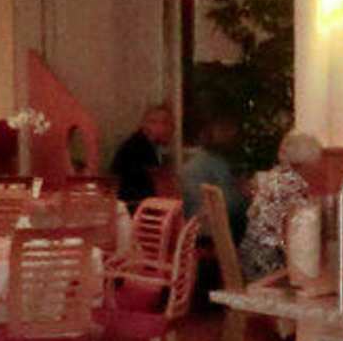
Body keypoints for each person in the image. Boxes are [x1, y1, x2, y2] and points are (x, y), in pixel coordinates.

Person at [241, 131, 321, 279]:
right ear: (305, 163)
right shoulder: (294, 184)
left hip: (250, 254)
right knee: (312, 269)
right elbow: (302, 225)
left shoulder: (272, 175)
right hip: (269, 259)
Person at [178, 113, 248, 242]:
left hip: (216, 226)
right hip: (205, 232)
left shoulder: (218, 160)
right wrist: (243, 194)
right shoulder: (200, 165)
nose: (232, 135)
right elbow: (222, 205)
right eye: (226, 130)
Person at [111, 104, 173, 205]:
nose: (171, 130)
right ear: (150, 124)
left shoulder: (141, 144)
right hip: (133, 204)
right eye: (168, 124)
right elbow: (156, 188)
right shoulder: (139, 148)